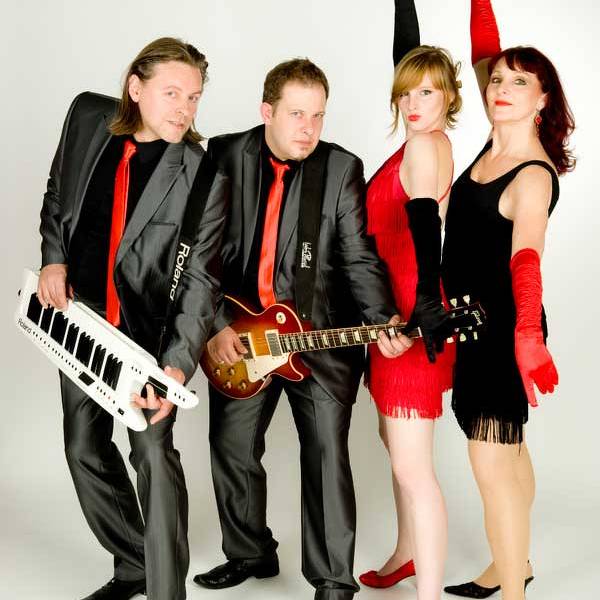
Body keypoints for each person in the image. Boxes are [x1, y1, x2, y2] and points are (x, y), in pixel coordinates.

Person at [192, 58, 410, 600]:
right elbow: (201, 252)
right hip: (240, 334)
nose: (309, 129)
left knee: (326, 458)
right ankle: (250, 552)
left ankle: (333, 580)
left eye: (318, 116)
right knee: (232, 447)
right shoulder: (224, 154)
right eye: (296, 114)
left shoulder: (340, 168)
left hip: (319, 340)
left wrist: (382, 317)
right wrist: (215, 324)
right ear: (266, 111)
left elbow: (359, 257)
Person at [37, 37, 229, 600]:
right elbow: (58, 193)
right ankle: (135, 564)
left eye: (193, 97)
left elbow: (201, 283)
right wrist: (54, 257)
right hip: (80, 319)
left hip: (150, 337)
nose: (184, 110)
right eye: (172, 94)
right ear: (135, 88)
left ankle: (167, 592)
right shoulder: (86, 119)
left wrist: (175, 368)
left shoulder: (203, 174)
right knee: (83, 448)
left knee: (150, 453)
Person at [441, 1, 575, 598]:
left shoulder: (532, 174)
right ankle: (511, 564)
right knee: (510, 453)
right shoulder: (495, 139)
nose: (501, 88)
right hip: (471, 324)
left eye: (521, 83)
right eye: (497, 79)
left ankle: (514, 590)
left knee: (492, 465)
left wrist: (528, 337)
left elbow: (526, 261)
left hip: (503, 332)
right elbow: (483, 51)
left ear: (542, 99)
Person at [358, 1, 461, 598]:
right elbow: (411, 56)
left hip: (411, 317)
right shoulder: (425, 137)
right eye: (405, 93)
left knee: (412, 468)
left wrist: (423, 303)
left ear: (449, 96)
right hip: (392, 311)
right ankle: (406, 553)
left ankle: (429, 593)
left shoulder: (423, 148)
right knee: (393, 444)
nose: (413, 102)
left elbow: (425, 226)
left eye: (427, 92)